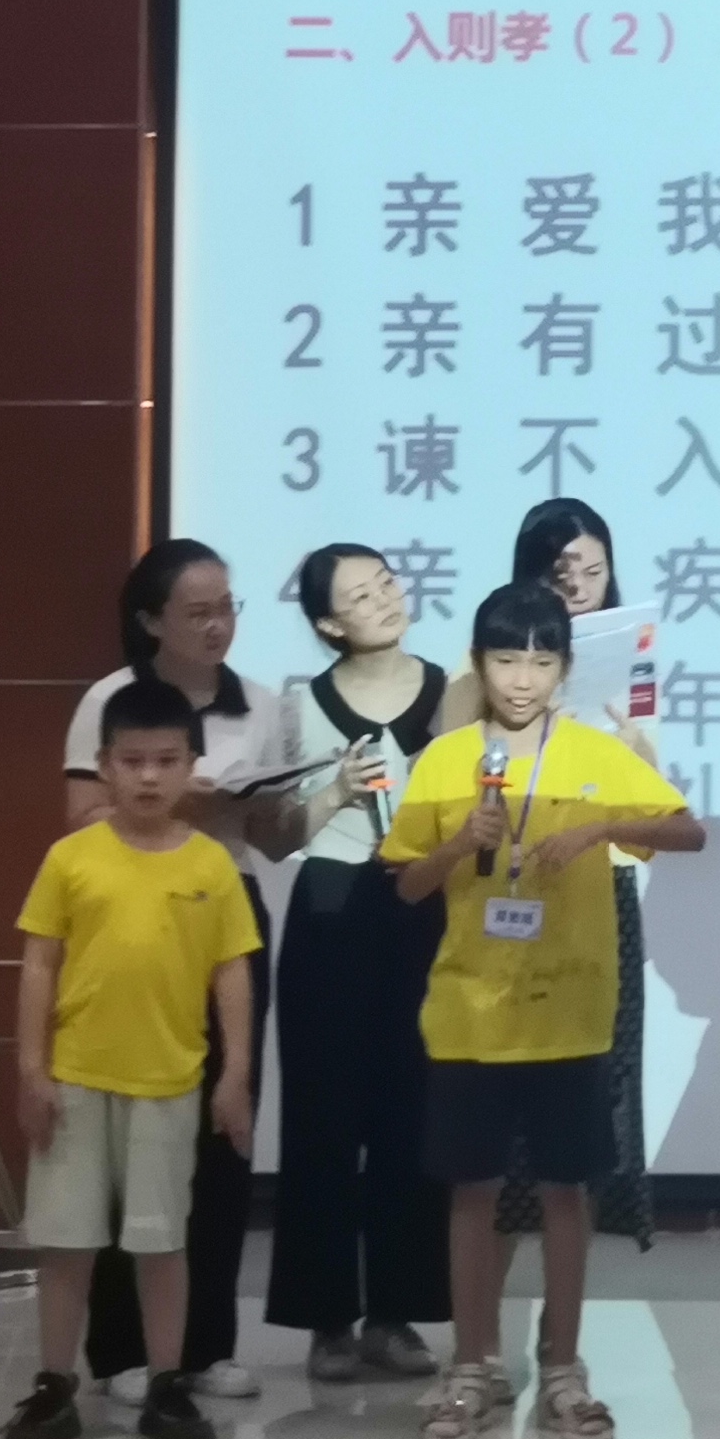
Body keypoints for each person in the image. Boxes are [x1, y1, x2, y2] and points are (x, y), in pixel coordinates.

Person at [381, 583, 700, 1439]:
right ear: (479, 664)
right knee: (471, 1191)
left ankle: (563, 1368)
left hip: (570, 1013)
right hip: (471, 1015)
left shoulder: (594, 752)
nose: (522, 679)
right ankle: (470, 1367)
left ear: (564, 668)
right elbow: (406, 884)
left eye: (540, 661)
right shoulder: (446, 760)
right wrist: (460, 842)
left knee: (568, 1190)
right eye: (506, 660)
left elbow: (687, 832)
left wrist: (597, 829)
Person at [55, 537, 295, 1407]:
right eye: (198, 612)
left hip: (225, 911)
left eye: (227, 608)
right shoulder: (109, 701)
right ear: (152, 620)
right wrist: (181, 796)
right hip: (128, 921)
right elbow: (79, 817)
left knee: (223, 1127)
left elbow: (276, 839)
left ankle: (207, 1344)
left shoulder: (261, 704)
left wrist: (293, 802)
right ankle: (121, 1349)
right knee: (128, 1134)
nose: (217, 626)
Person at [3, 679, 260, 1439]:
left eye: (166, 761)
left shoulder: (212, 865)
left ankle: (167, 1383)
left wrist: (236, 1074)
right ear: (105, 766)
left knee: (161, 1242)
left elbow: (232, 973)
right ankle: (55, 1386)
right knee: (66, 1243)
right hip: (76, 1080)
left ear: (192, 767)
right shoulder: (71, 858)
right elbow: (39, 964)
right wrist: (31, 1069)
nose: (149, 777)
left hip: (169, 1084)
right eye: (133, 761)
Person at [259, 541, 450, 1384]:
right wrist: (335, 790)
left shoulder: (454, 691)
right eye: (361, 596)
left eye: (387, 583)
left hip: (425, 903)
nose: (385, 599)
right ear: (329, 624)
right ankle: (327, 1320)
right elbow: (277, 837)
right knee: (324, 1116)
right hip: (332, 906)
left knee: (415, 1112)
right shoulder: (300, 706)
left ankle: (397, 1315)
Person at [471, 498, 659, 1269]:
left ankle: (563, 1320)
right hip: (509, 897)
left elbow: (654, 821)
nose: (580, 584)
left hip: (599, 894)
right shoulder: (484, 672)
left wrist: (637, 754)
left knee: (591, 1090)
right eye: (562, 570)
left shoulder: (630, 669)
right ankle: (485, 1312)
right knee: (502, 1100)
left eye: (595, 569)